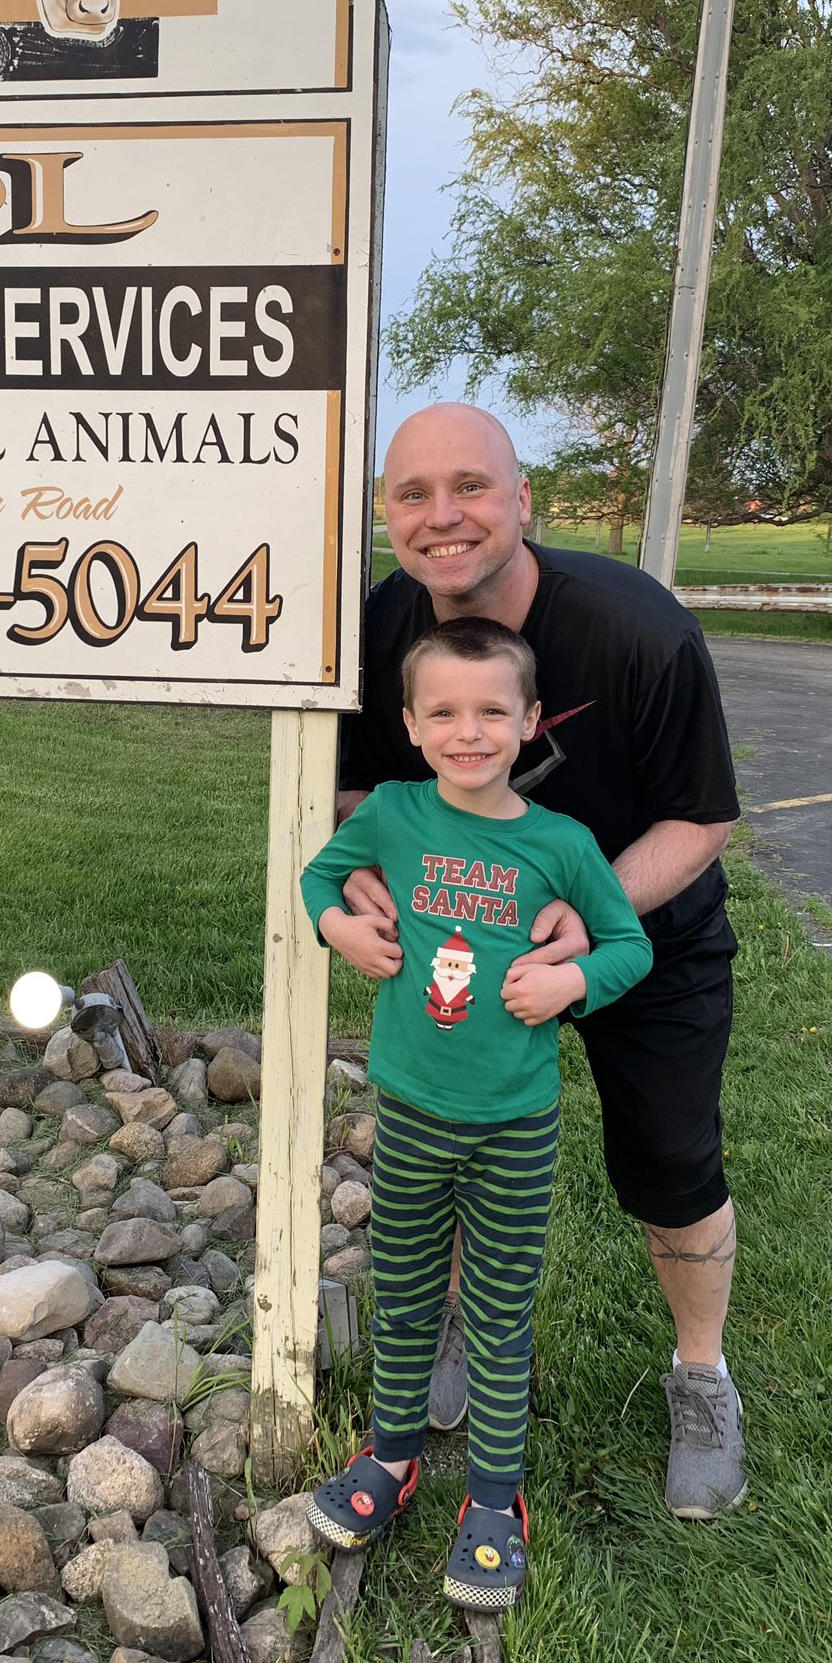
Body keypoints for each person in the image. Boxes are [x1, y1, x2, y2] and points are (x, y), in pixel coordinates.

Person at [341, 404, 745, 1522]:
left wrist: (589, 905)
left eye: (470, 486)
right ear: (386, 512)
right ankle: (458, 1339)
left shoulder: (636, 630)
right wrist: (368, 879)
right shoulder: (380, 628)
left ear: (523, 500)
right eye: (413, 494)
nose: (443, 516)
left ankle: (702, 1376)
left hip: (639, 930)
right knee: (459, 1133)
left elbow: (703, 817)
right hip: (470, 939)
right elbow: (360, 787)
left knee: (670, 1158)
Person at [301, 617, 652, 1609]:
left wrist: (573, 980)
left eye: (493, 710)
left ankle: (495, 1500)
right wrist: (340, 926)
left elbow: (630, 945)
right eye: (444, 711)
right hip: (410, 1109)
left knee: (498, 1314)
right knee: (405, 1294)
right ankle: (392, 1458)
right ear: (410, 724)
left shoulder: (562, 843)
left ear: (530, 720)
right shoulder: (397, 814)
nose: (469, 730)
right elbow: (320, 874)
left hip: (513, 1124)